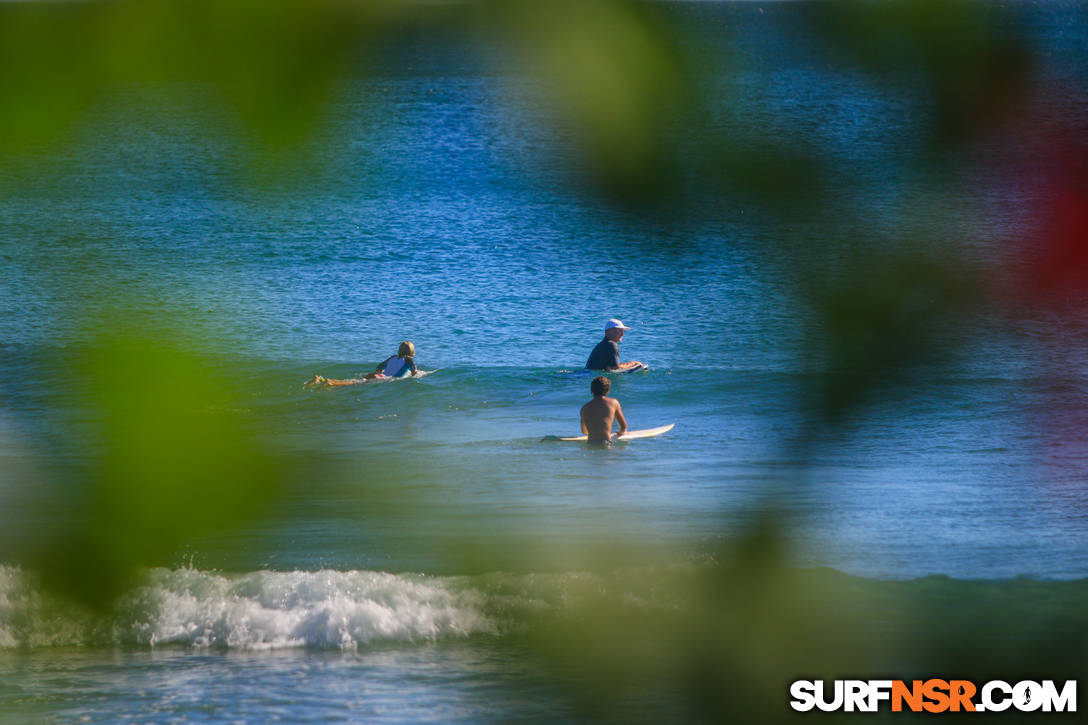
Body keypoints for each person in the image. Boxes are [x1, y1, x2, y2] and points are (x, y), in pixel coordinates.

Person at [305, 341, 418, 387]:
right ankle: (329, 382)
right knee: (352, 384)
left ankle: (321, 380)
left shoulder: (393, 357)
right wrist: (414, 373)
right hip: (384, 378)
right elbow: (414, 373)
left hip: (377, 375)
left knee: (354, 381)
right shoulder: (409, 360)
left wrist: (383, 372)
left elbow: (378, 368)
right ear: (412, 353)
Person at [580, 376, 627, 442]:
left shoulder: (584, 408)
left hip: (591, 443)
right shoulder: (613, 403)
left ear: (591, 390)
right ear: (608, 390)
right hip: (606, 442)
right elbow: (623, 426)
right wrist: (621, 432)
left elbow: (584, 431)